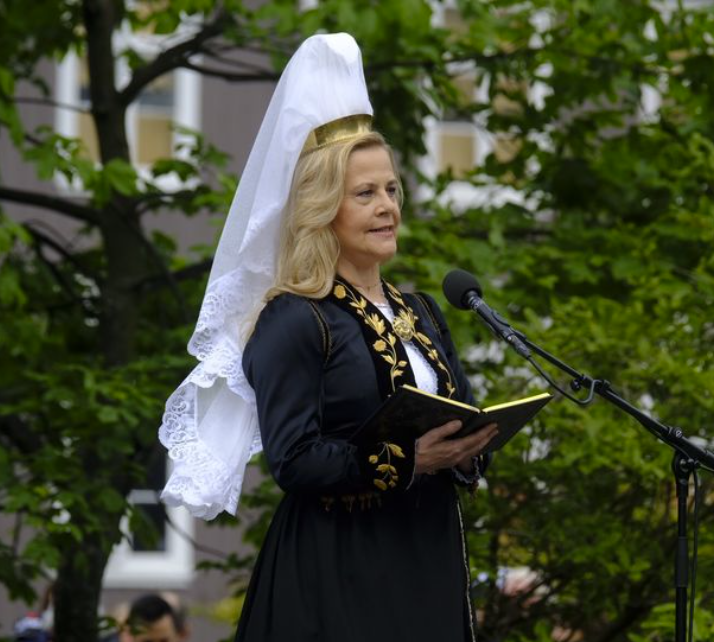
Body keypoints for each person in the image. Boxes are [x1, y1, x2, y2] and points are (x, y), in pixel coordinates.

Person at [158, 34, 495, 641]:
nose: (387, 206)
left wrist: (473, 449)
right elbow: (294, 458)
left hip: (425, 554)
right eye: (364, 193)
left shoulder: (421, 309)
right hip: (338, 567)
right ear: (322, 208)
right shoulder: (294, 319)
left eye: (391, 189)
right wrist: (411, 460)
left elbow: (460, 413)